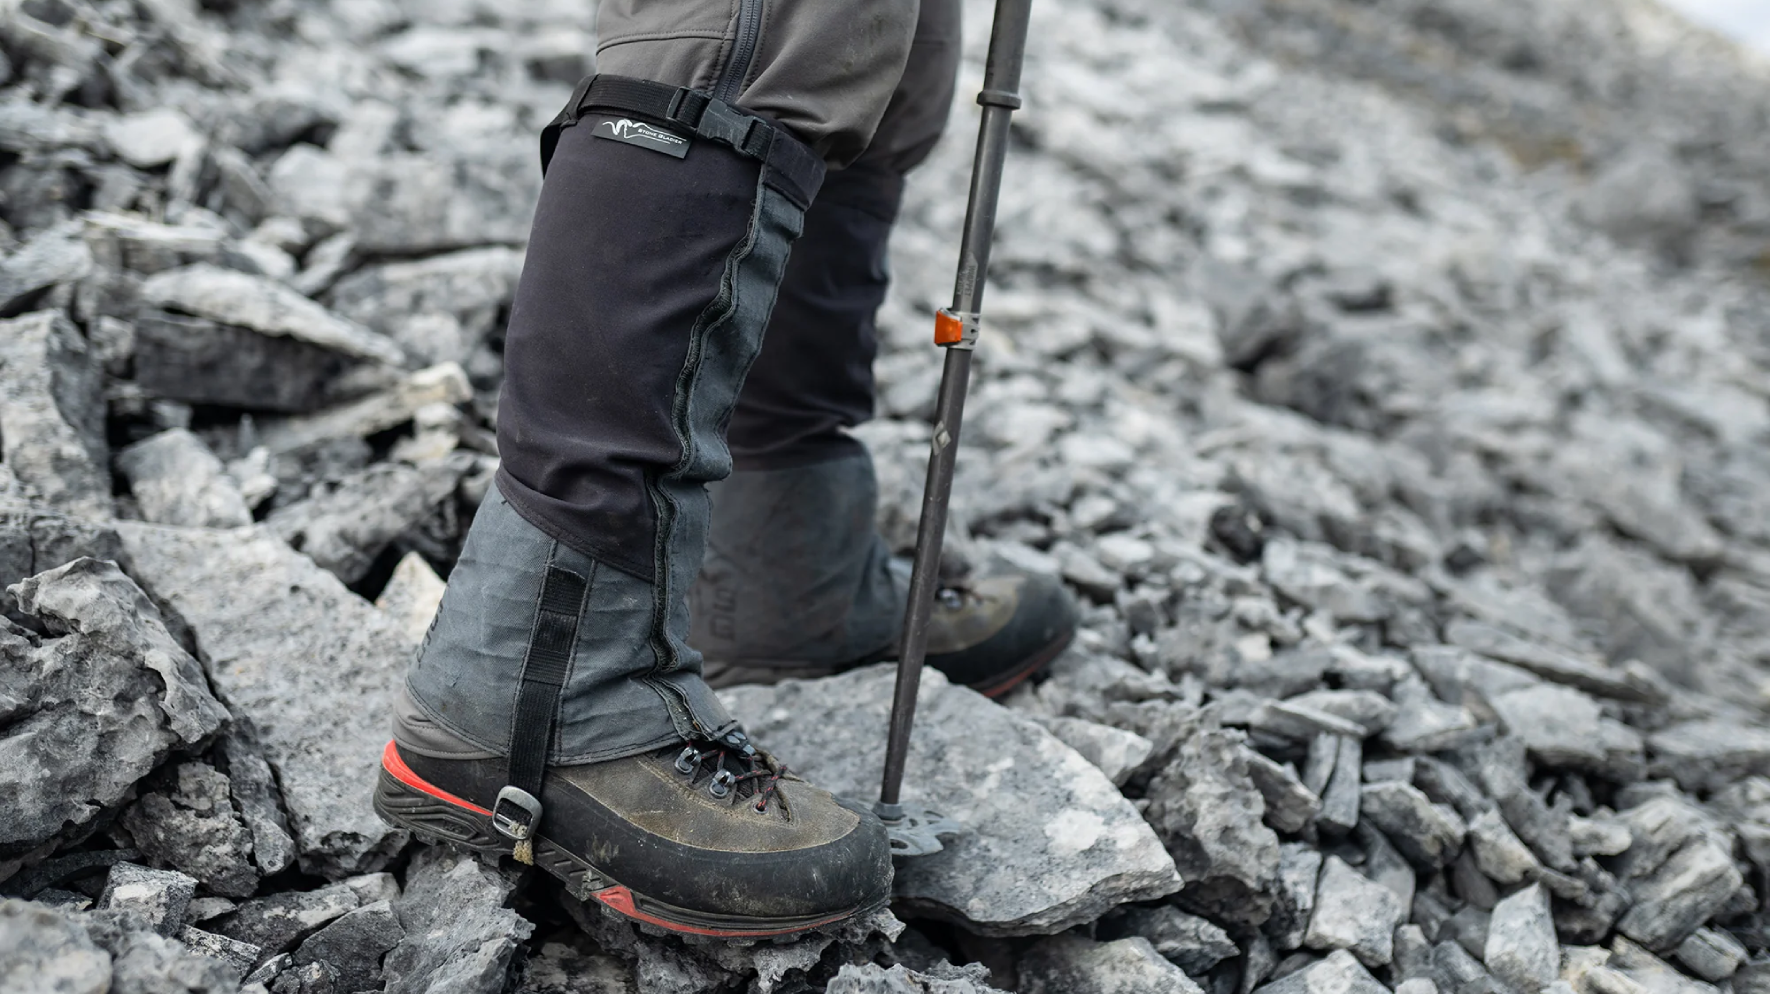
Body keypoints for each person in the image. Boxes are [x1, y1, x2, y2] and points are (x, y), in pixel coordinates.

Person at [372, 0, 1079, 938]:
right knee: (747, 43)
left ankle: (788, 580)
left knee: (871, 67)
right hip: (544, 673)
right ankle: (540, 681)